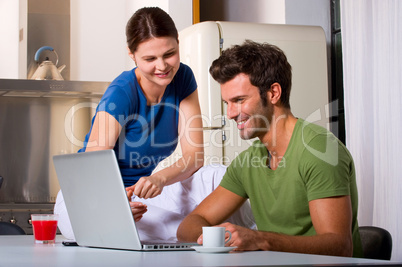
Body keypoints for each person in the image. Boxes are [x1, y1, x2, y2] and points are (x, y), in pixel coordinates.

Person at [176, 40, 363, 257]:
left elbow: (339, 247)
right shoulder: (249, 161)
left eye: (239, 100)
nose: (230, 113)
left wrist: (260, 239)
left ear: (273, 93)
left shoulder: (319, 150)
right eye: (227, 103)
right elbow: (188, 226)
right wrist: (216, 237)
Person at [81, 7, 204, 220]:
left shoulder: (183, 77)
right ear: (132, 54)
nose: (162, 66)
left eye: (169, 54)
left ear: (177, 42)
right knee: (166, 229)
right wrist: (115, 206)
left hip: (140, 195)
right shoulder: (121, 93)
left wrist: (160, 179)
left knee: (212, 176)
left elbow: (194, 157)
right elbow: (92, 166)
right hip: (93, 194)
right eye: (150, 59)